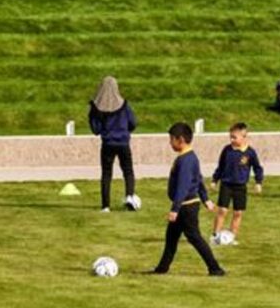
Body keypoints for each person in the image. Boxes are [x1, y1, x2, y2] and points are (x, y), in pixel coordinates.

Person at [151, 122, 224, 277]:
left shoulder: (186, 160)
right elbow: (198, 179)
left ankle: (215, 268)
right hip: (185, 205)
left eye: (171, 139)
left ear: (181, 139)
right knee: (171, 238)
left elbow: (183, 187)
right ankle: (162, 268)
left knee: (194, 237)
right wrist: (205, 199)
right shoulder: (189, 157)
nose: (170, 143)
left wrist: (175, 209)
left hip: (186, 207)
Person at [88, 76, 139, 212]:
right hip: (123, 142)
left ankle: (106, 205)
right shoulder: (124, 106)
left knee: (106, 173)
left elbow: (96, 130)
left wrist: (93, 114)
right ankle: (129, 196)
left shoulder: (97, 110)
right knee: (128, 171)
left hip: (108, 143)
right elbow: (133, 123)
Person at [211, 123, 264, 241]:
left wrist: (258, 182)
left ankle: (231, 237)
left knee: (238, 213)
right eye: (230, 137)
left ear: (244, 137)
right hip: (226, 184)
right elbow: (220, 166)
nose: (231, 140)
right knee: (222, 210)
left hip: (240, 187)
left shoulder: (250, 152)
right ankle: (215, 236)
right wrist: (215, 179)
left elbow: (257, 168)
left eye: (234, 137)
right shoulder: (227, 150)